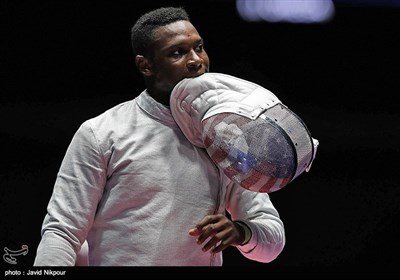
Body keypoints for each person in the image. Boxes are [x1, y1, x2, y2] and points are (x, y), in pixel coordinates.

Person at [33, 6, 285, 266]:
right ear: (146, 65)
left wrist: (242, 232)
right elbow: (62, 232)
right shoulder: (102, 133)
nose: (196, 60)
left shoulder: (224, 139)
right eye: (177, 52)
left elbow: (272, 240)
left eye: (199, 47)